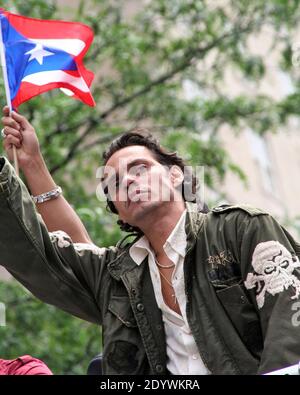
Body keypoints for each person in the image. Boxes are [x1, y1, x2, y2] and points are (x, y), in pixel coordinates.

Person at [1, 106, 300, 375]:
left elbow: (289, 331)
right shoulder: (116, 275)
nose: (128, 181)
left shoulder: (241, 230)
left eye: (139, 169)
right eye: (113, 183)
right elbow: (38, 254)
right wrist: (28, 165)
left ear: (175, 176)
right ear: (118, 209)